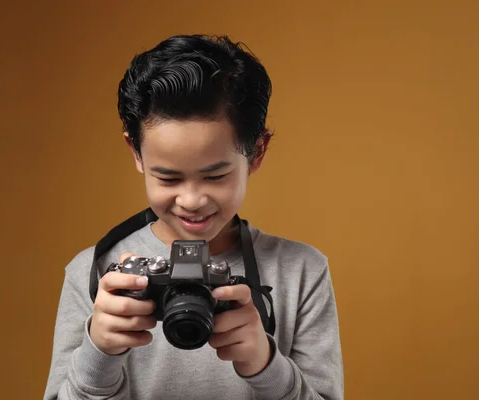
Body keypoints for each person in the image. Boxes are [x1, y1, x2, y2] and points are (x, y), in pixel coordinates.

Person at [43, 34, 344, 400]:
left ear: (257, 152)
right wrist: (99, 354)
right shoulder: (94, 272)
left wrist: (267, 366)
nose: (191, 200)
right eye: (167, 177)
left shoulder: (302, 272)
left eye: (215, 176)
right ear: (136, 153)